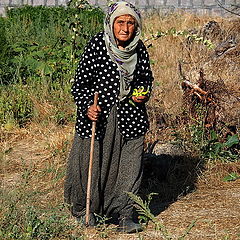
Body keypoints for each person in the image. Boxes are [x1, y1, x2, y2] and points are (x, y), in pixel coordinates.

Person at [64, 1, 154, 233]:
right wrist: (87, 107)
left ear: (136, 26)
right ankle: (87, 210)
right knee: (92, 162)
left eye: (130, 23)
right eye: (120, 22)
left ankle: (124, 213)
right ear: (111, 24)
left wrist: (142, 94)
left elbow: (145, 78)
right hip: (98, 115)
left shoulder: (139, 49)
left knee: (130, 165)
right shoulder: (97, 45)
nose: (125, 28)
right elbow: (80, 84)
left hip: (131, 116)